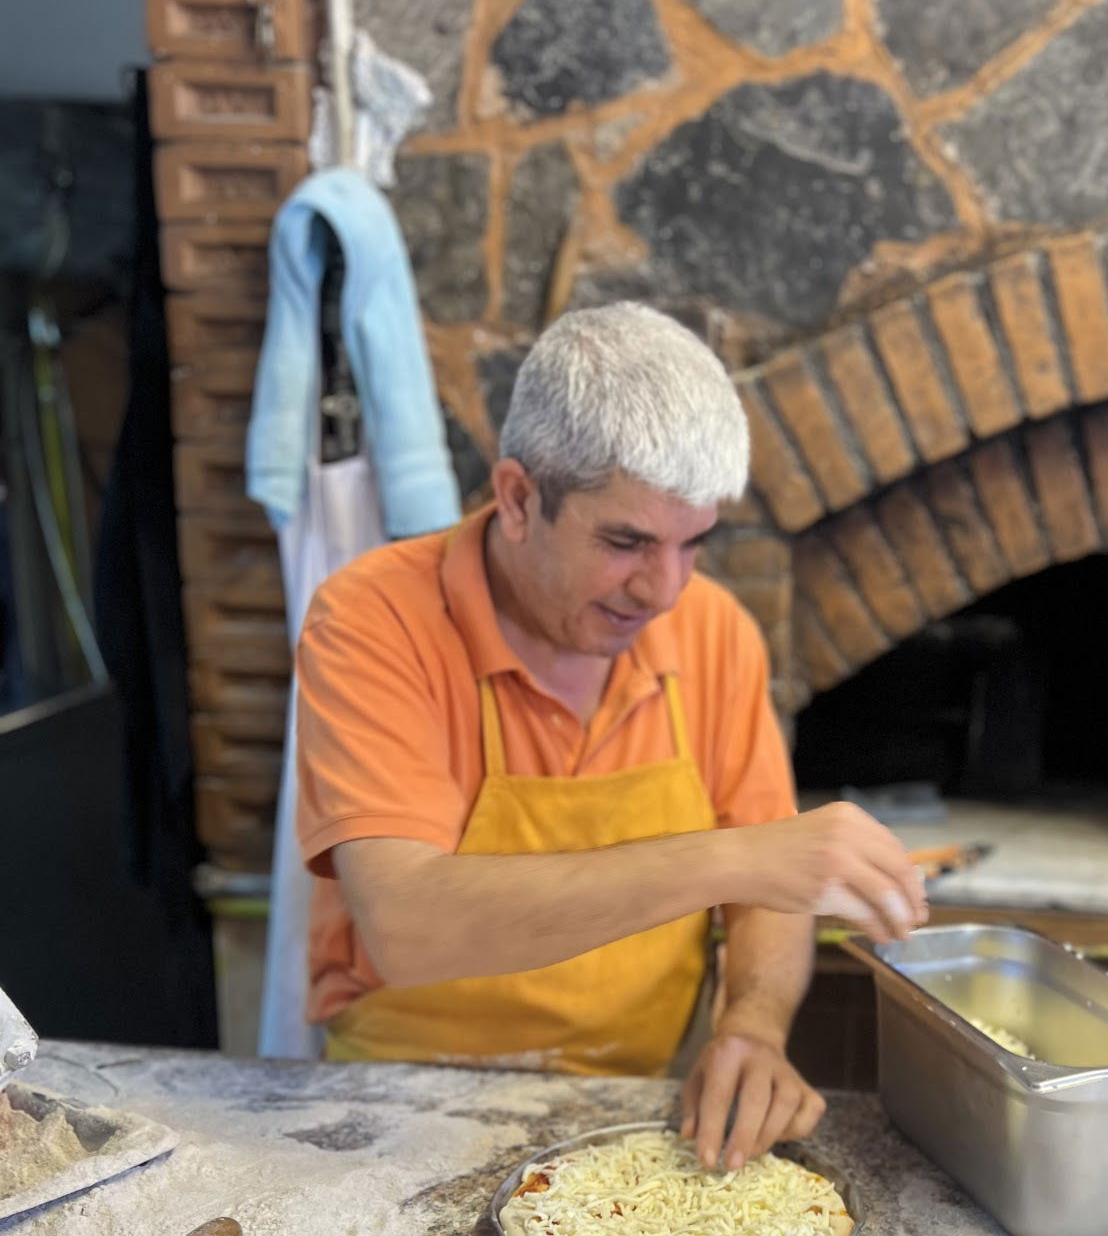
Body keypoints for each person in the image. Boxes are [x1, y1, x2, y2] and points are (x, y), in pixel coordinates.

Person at [294, 303, 926, 1169]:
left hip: (638, 1103)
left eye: (692, 543)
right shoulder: (372, 620)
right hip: (401, 1099)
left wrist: (751, 1026)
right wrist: (737, 858)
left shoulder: (716, 633)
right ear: (519, 498)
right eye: (626, 541)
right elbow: (406, 926)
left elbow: (765, 904)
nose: (663, 589)